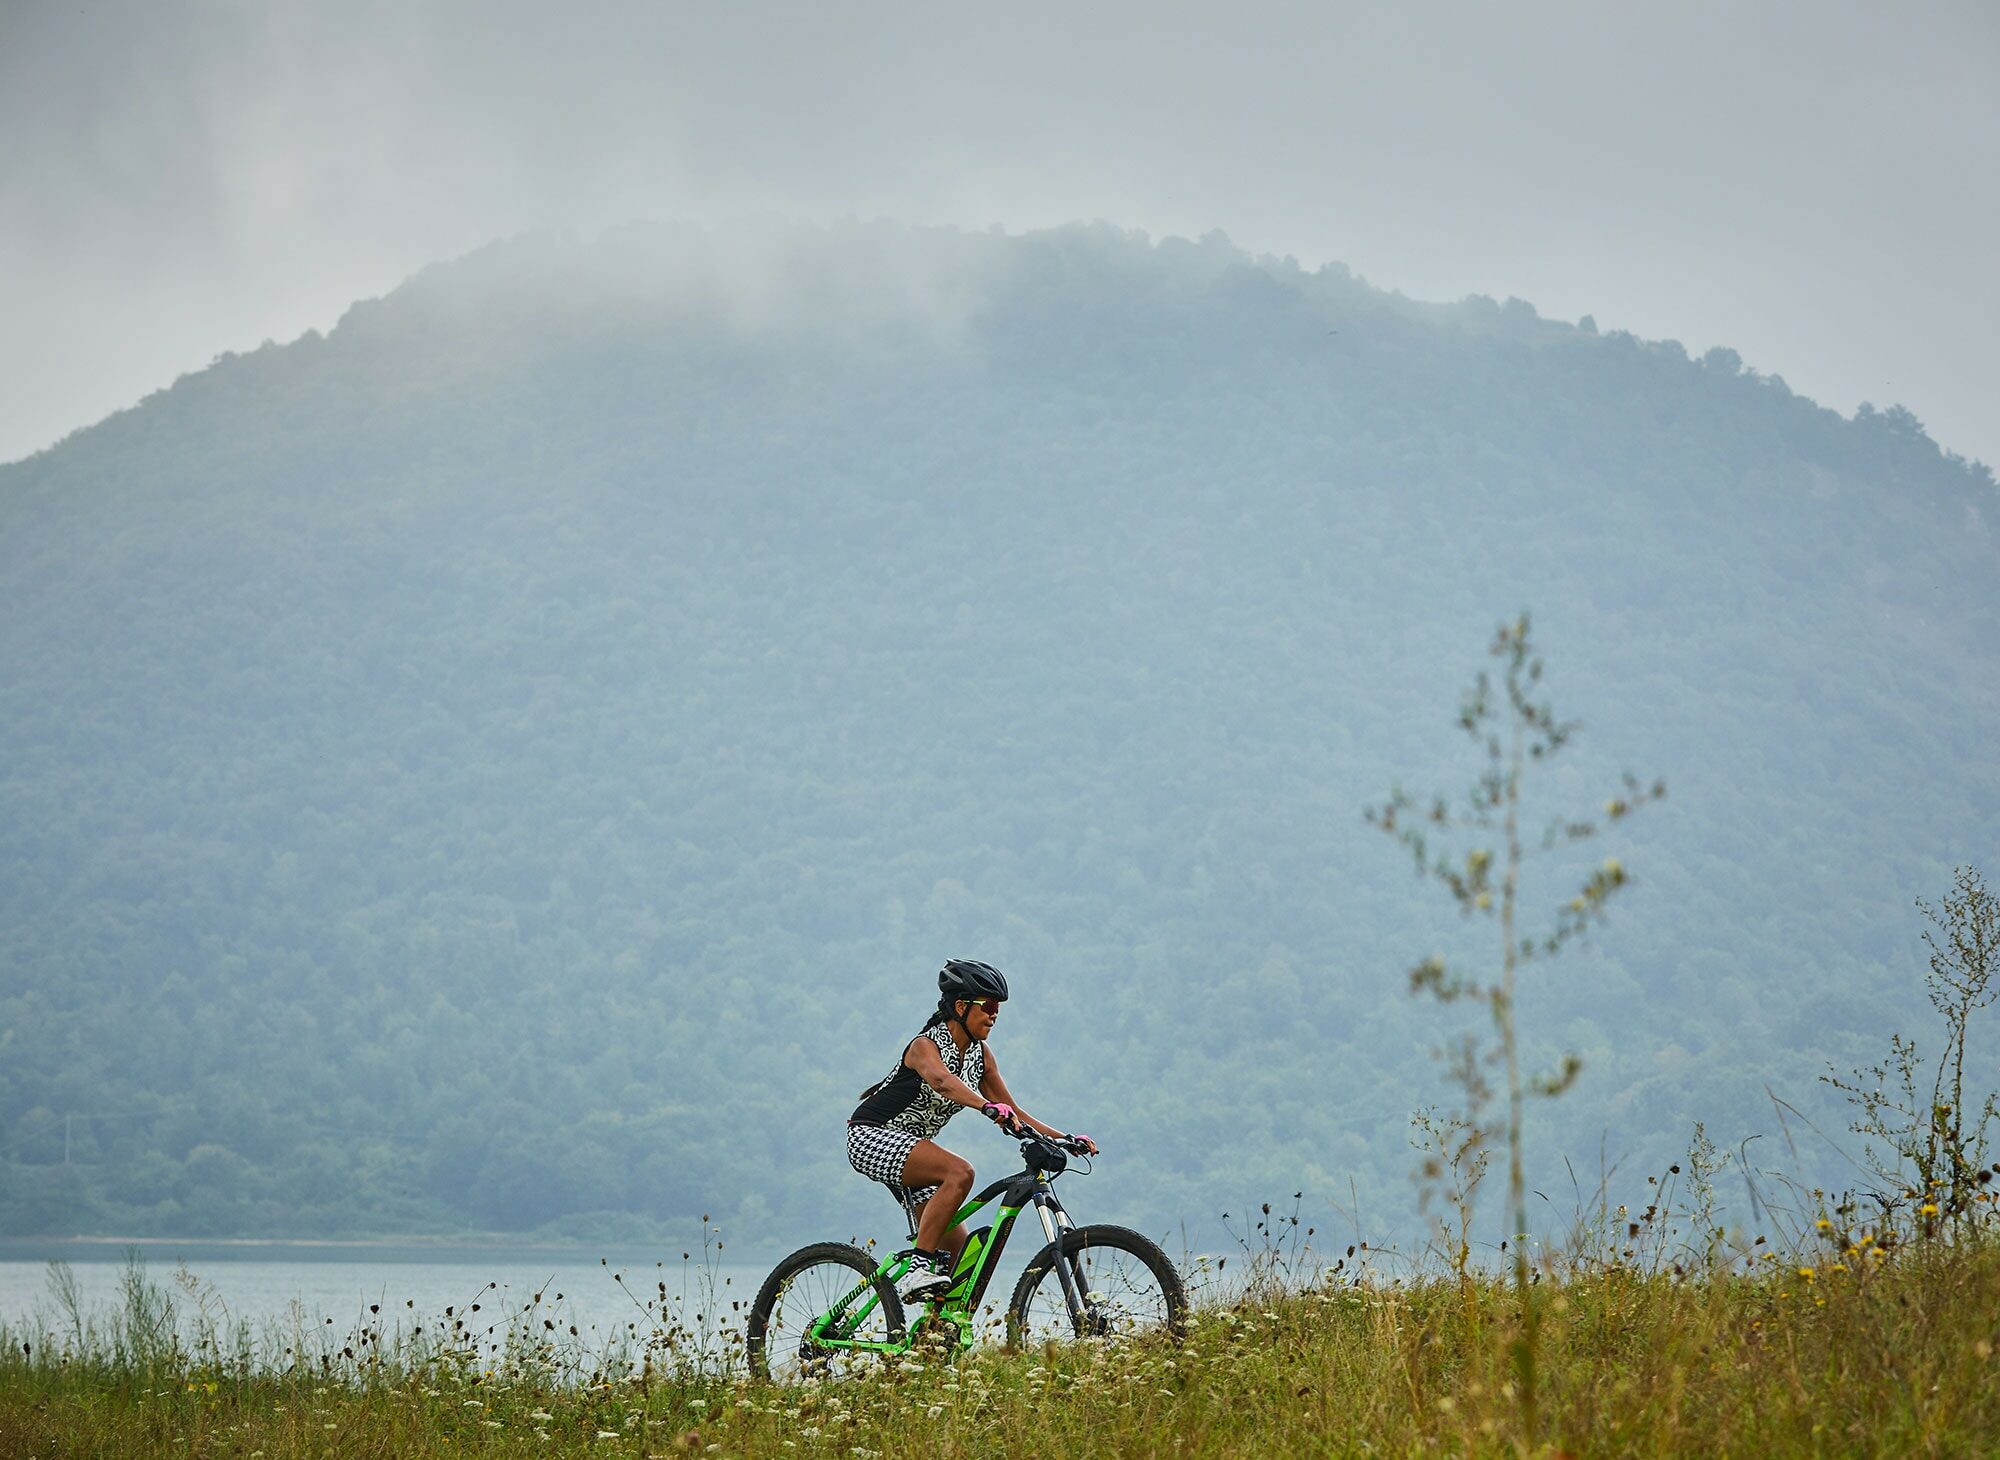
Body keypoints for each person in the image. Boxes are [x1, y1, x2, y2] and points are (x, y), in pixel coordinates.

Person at [847, 959, 1097, 1302]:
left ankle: (931, 1343)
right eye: (989, 1006)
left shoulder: (981, 1056)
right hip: (870, 1137)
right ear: (961, 1007)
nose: (995, 1015)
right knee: (960, 1172)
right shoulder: (925, 1046)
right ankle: (918, 1266)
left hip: (912, 1150)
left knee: (959, 1258)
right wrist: (985, 1106)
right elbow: (942, 1082)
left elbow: (1016, 1111)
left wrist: (1064, 1140)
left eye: (999, 1009)